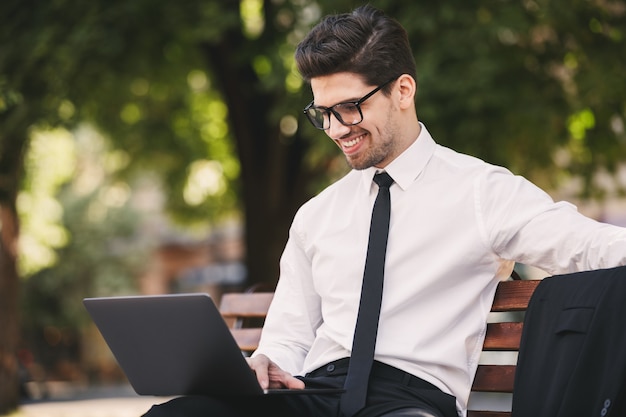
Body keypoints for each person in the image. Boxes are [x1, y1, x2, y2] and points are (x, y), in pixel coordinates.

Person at [143, 5, 626, 417]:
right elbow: (289, 335)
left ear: (403, 91)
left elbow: (591, 247)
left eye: (350, 107)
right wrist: (266, 359)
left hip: (410, 397)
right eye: (322, 113)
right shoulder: (317, 215)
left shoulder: (481, 191)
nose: (335, 129)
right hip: (316, 393)